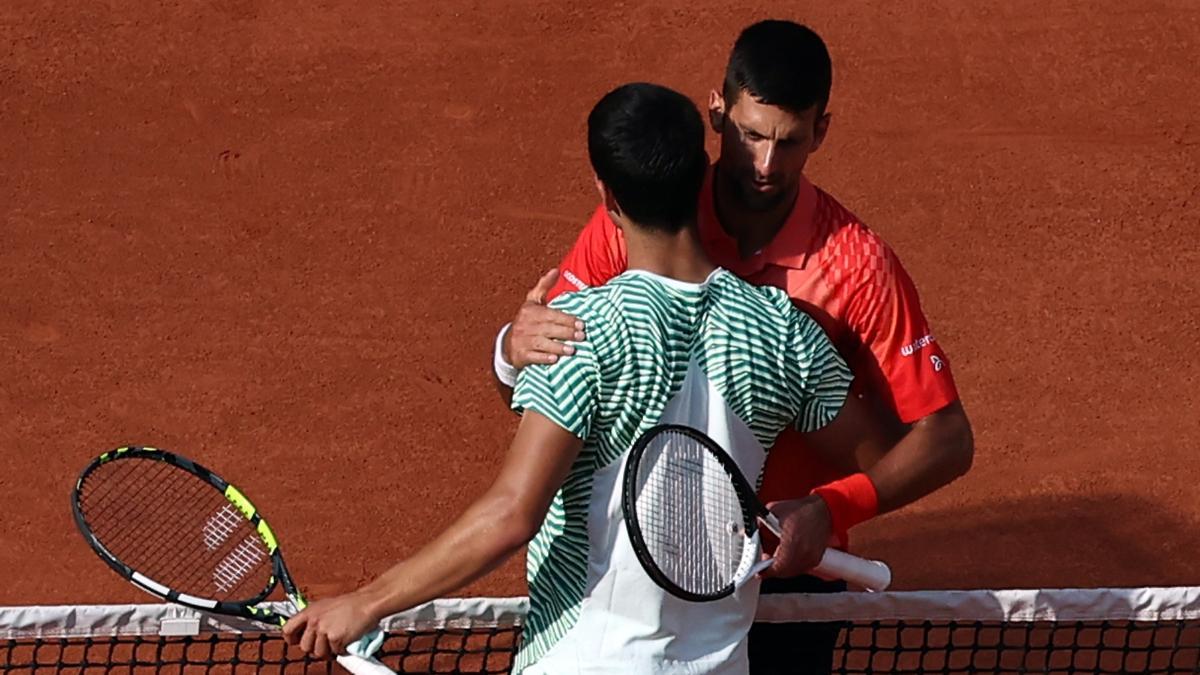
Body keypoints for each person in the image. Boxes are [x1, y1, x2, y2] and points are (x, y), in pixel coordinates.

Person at [284, 82, 886, 674]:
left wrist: (366, 603)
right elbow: (882, 457)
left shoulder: (580, 334)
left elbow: (513, 514)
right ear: (701, 173)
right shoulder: (783, 331)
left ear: (608, 196)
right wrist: (823, 511)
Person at [491, 20, 975, 674]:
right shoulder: (647, 214)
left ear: (820, 132)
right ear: (717, 114)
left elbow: (945, 437)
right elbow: (545, 372)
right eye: (751, 135)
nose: (767, 165)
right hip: (646, 556)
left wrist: (833, 505)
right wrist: (511, 349)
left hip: (785, 571)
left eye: (790, 141)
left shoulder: (857, 267)